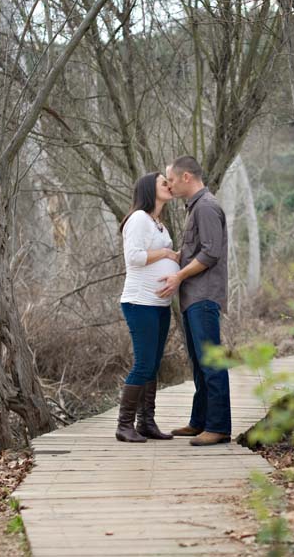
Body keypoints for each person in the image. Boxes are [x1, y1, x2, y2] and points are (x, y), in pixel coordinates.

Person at [157, 156, 231, 446]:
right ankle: (199, 422)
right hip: (193, 298)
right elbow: (199, 250)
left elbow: (211, 253)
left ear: (186, 177)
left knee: (211, 361)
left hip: (204, 296)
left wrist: (178, 276)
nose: (169, 185)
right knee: (199, 363)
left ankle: (219, 427)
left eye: (172, 180)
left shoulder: (207, 207)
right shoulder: (195, 209)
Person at [116, 172, 179, 443]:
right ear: (149, 190)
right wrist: (166, 254)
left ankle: (146, 423)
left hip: (159, 303)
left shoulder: (158, 224)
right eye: (163, 183)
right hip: (140, 301)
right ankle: (124, 425)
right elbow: (134, 257)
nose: (169, 185)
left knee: (152, 364)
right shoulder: (139, 219)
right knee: (143, 363)